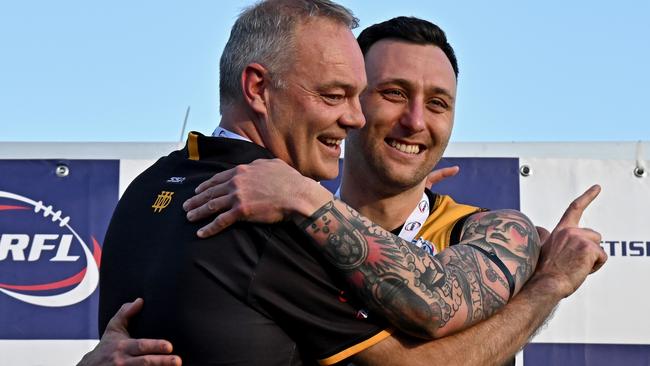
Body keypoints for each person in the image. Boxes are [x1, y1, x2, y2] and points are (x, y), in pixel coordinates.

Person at [91, 3, 606, 366]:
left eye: (438, 103)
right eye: (388, 93)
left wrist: (550, 282)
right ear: (258, 88)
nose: (411, 120)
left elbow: (436, 299)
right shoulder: (262, 215)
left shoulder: (492, 230)